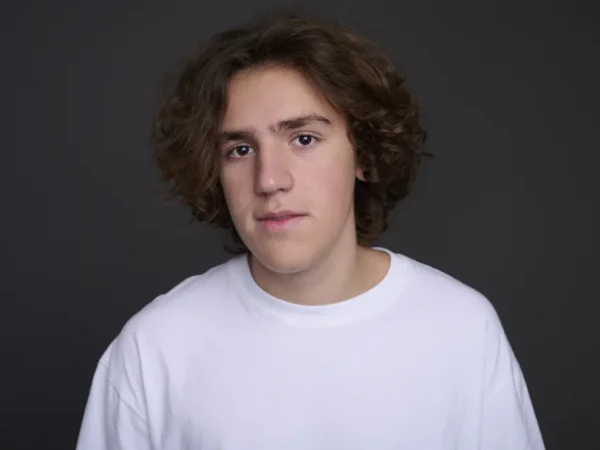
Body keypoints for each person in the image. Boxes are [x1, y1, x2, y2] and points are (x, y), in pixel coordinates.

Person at [76, 13, 545, 450]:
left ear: (364, 155)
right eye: (240, 149)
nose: (269, 180)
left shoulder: (460, 328)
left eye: (304, 139)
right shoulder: (155, 347)